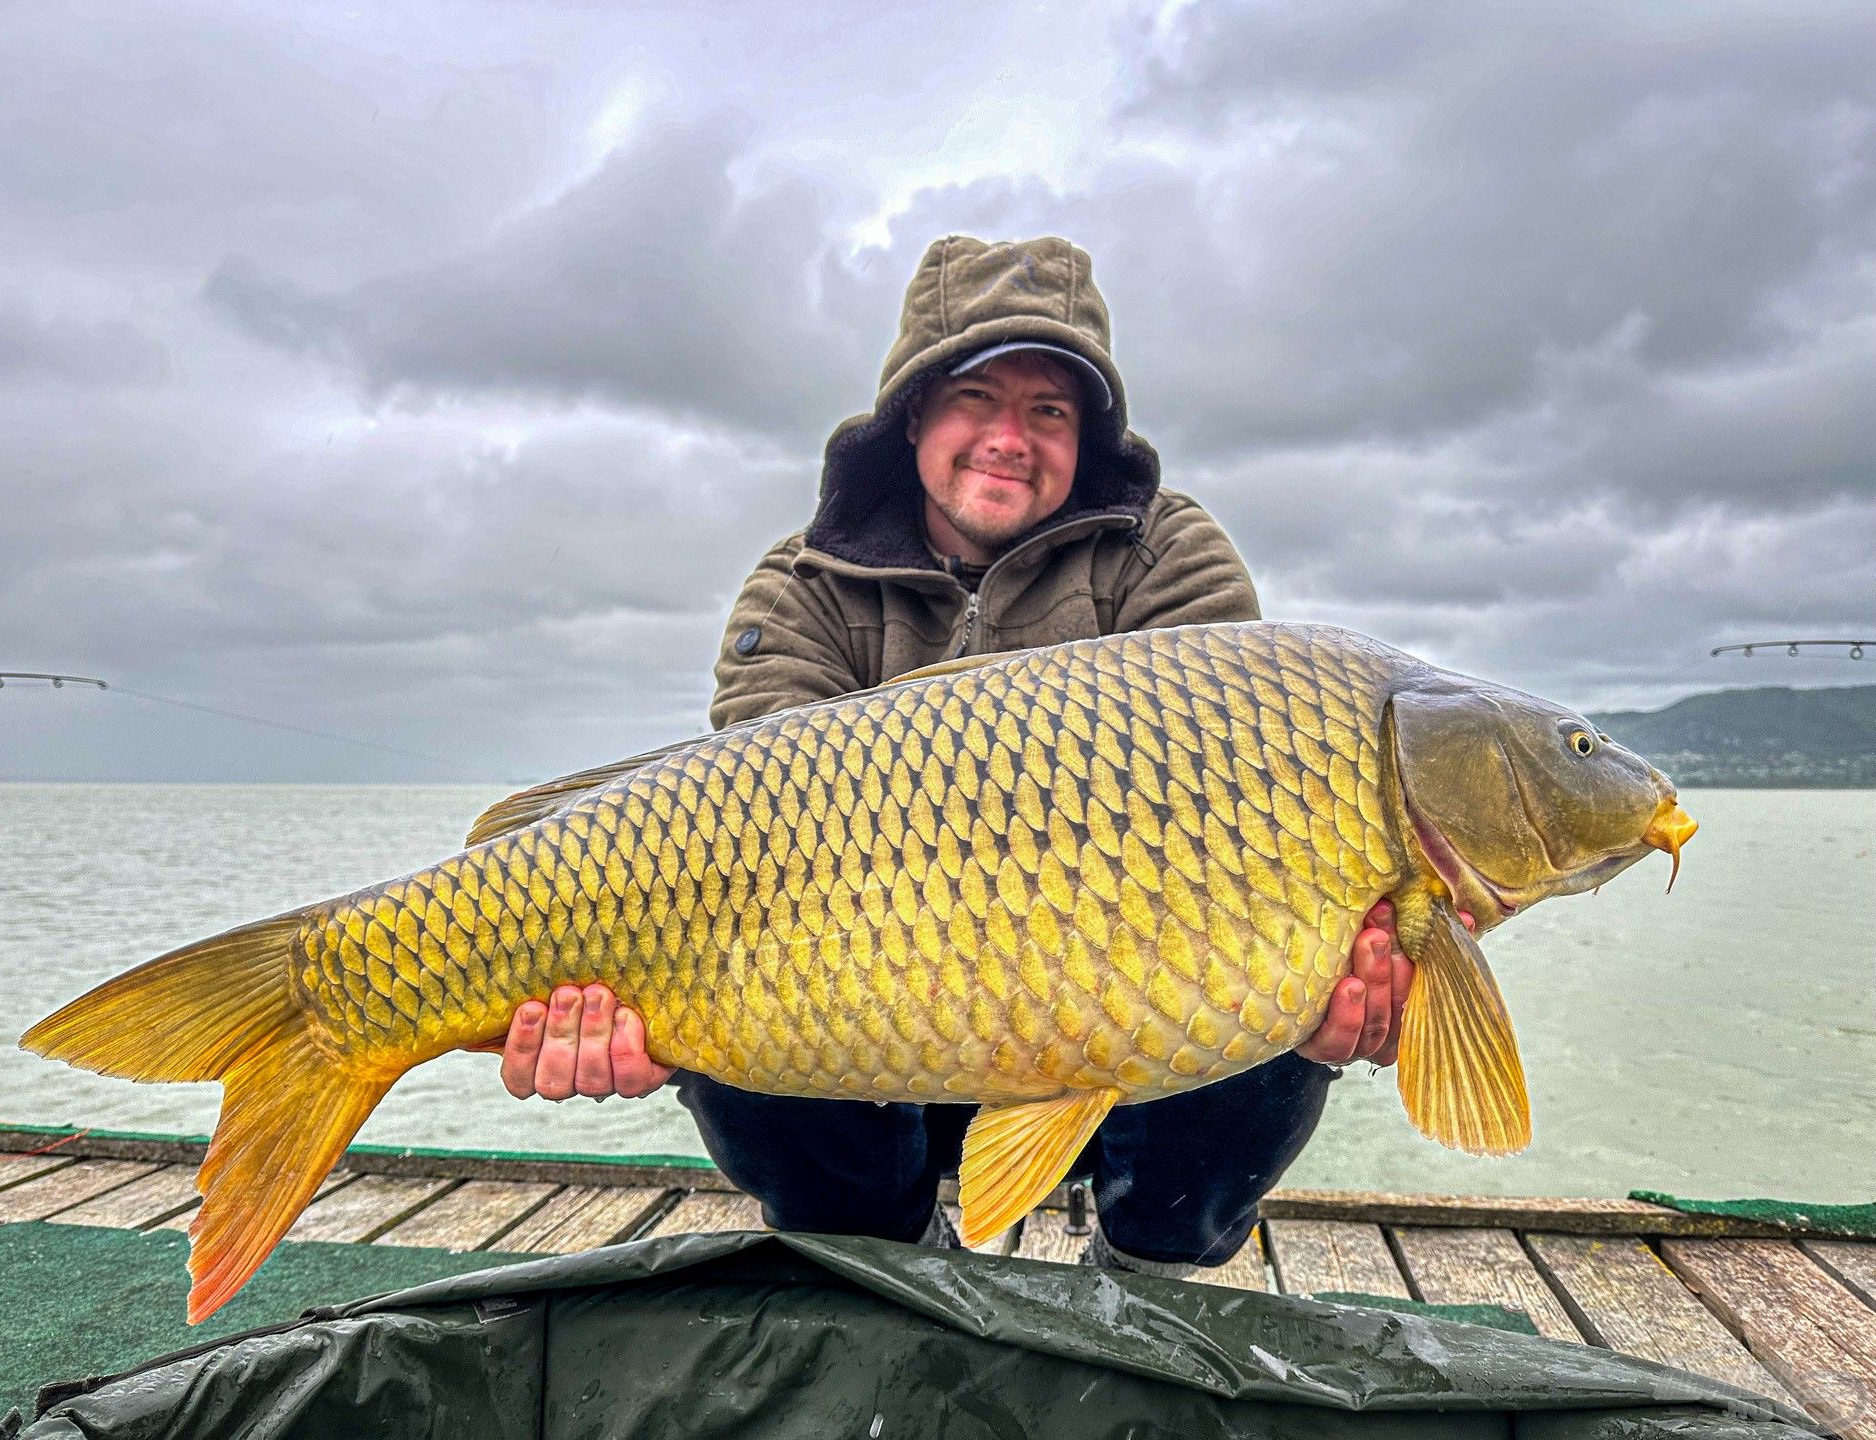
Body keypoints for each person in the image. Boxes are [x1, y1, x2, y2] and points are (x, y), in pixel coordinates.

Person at [482, 236, 1425, 1275]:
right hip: (875, 1028)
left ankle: (1151, 1271)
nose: (1009, 439)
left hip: (1126, 1046)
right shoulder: (802, 587)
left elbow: (1254, 810)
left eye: (1050, 411)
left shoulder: (1170, 559)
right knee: (722, 988)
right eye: (977, 397)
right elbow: (744, 837)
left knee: (1272, 976)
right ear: (913, 416)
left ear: (1088, 435)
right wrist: (615, 1016)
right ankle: (881, 1254)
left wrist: (1350, 985)